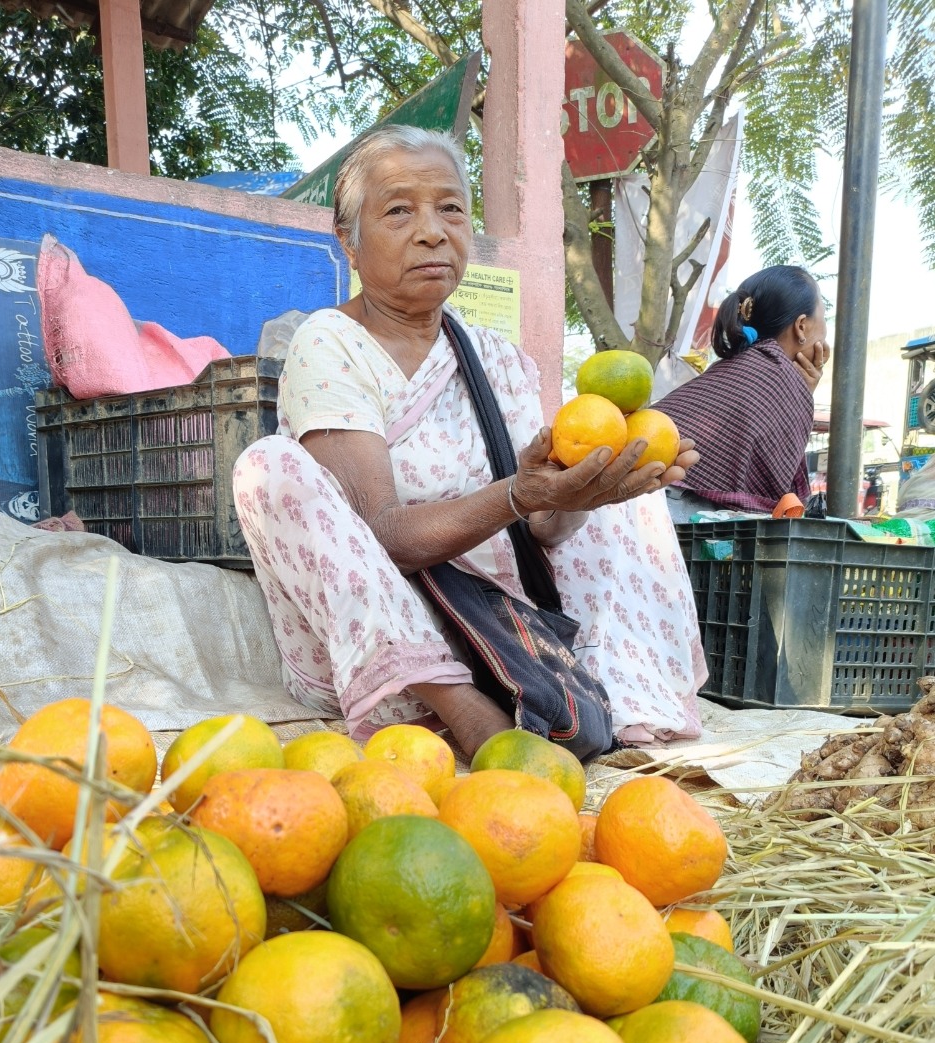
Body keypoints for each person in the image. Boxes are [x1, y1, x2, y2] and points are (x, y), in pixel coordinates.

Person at [233, 126, 706, 756]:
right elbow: (385, 534)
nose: (432, 230)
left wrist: (580, 497)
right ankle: (462, 709)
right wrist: (515, 493)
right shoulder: (329, 344)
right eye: (399, 210)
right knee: (267, 466)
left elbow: (537, 531)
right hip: (382, 645)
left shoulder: (499, 361)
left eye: (451, 207)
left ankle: (602, 691)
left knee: (628, 476)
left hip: (500, 638)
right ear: (348, 241)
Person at [657, 266, 829, 519]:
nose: (825, 330)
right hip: (672, 514)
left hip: (641, 503)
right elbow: (782, 502)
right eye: (824, 315)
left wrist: (802, 392)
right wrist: (799, 395)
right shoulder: (778, 377)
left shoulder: (739, 368)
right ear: (801, 326)